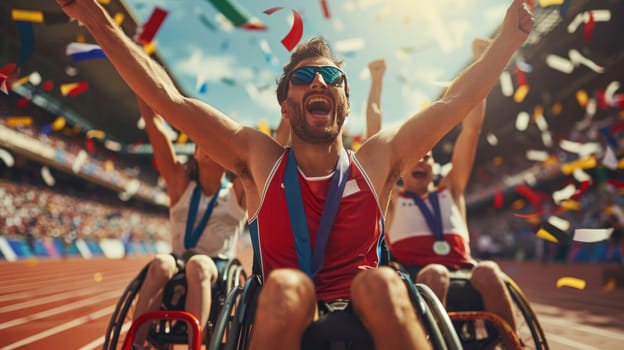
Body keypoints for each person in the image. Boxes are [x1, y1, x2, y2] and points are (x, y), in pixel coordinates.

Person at [55, 1, 533, 348]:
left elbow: (456, 100)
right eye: (304, 79)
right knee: (287, 285)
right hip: (284, 305)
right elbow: (170, 101)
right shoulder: (259, 158)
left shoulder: (380, 158)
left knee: (380, 282)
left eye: (331, 78)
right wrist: (94, 18)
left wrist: (510, 35)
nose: (319, 83)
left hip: (368, 307)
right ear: (286, 103)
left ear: (345, 101)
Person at [382, 38, 519, 337]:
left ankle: (512, 342)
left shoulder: (452, 190)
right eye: (414, 158)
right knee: (436, 273)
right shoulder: (393, 198)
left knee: (490, 271)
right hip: (416, 274)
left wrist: (483, 63)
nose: (421, 161)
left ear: (434, 166)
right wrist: (378, 81)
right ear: (400, 170)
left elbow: (471, 129)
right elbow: (374, 135)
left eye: (427, 156)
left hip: (465, 272)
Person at [131, 98, 247, 348]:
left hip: (216, 266)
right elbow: (155, 126)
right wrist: (139, 80)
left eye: (215, 142)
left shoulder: (236, 192)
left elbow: (277, 145)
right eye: (201, 141)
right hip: (178, 260)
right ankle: (134, 345)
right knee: (160, 263)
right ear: (194, 153)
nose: (206, 144)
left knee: (199, 265)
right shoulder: (180, 185)